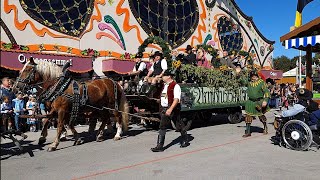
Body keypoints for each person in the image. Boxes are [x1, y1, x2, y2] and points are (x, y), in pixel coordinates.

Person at [151, 70, 189, 152]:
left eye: (164, 76)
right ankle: (185, 139)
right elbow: (164, 96)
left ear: (169, 76)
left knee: (165, 126)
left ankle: (160, 146)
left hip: (172, 109)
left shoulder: (175, 86)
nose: (162, 77)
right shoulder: (165, 86)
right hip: (164, 108)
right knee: (178, 124)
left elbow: (176, 99)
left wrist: (170, 109)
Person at [243, 71, 270, 137]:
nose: (253, 77)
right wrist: (239, 72)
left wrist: (265, 100)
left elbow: (266, 91)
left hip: (258, 102)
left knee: (261, 116)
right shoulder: (249, 83)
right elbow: (242, 80)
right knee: (248, 117)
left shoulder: (261, 83)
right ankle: (248, 132)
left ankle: (265, 127)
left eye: (255, 76)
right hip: (250, 102)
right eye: (252, 76)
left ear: (258, 76)